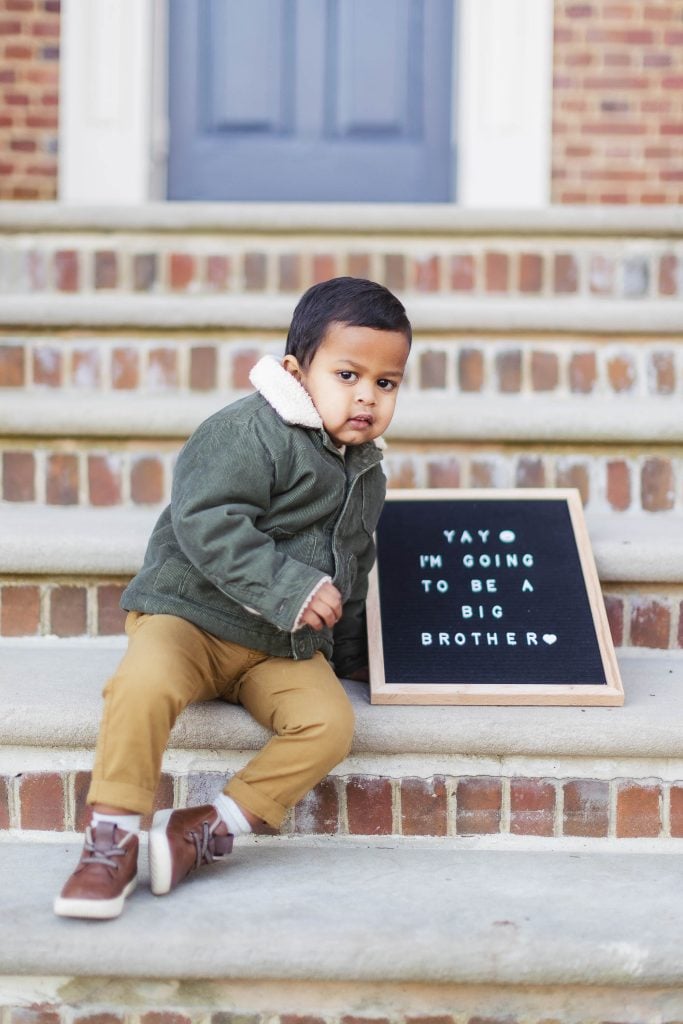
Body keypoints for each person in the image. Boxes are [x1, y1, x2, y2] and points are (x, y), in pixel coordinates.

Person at [54, 276, 412, 919]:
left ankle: (209, 825)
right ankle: (110, 837)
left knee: (329, 726)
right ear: (297, 372)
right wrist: (291, 587)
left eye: (385, 384)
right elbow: (207, 520)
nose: (367, 396)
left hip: (278, 645)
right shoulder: (247, 431)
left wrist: (354, 651)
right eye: (349, 374)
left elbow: (353, 563)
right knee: (142, 683)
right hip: (189, 616)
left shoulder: (366, 472)